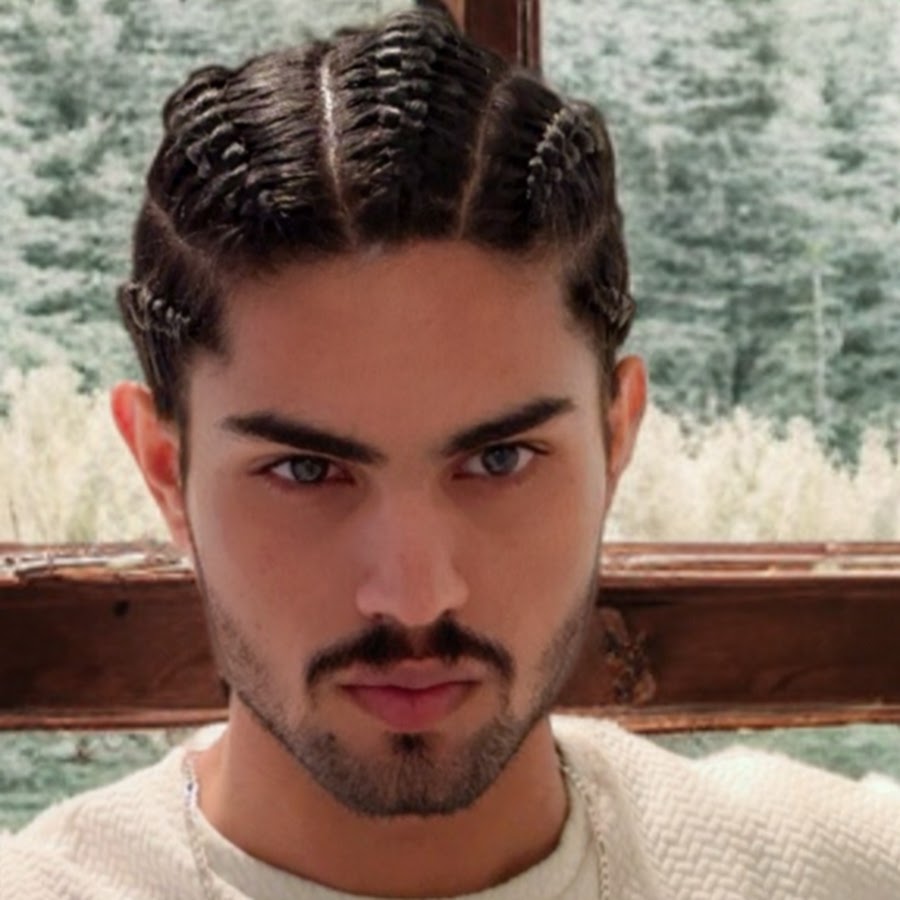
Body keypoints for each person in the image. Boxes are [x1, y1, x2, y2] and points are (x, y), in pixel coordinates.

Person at [2, 3, 899, 898]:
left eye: (500, 460)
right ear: (165, 471)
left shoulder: (833, 872)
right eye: (307, 471)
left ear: (615, 436)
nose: (415, 595)